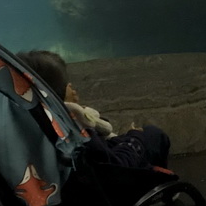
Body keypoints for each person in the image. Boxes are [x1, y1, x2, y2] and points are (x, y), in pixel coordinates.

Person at [16, 50, 170, 170]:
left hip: (80, 186)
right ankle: (161, 183)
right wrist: (135, 137)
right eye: (64, 83)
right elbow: (115, 165)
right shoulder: (74, 128)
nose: (70, 85)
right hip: (112, 187)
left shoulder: (35, 123)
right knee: (153, 134)